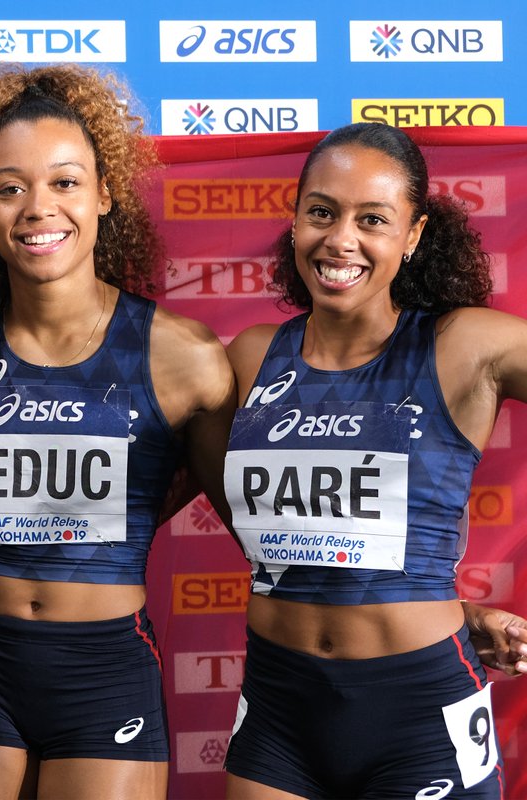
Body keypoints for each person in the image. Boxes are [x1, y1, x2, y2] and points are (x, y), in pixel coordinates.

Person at [0, 64, 236, 800]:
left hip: (104, 671)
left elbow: (269, 532)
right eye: (10, 187)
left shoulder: (183, 357)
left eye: (64, 182)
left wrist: (451, 613)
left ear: (104, 194)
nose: (38, 207)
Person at [222, 121, 527, 799]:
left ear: (413, 235)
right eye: (322, 213)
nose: (341, 240)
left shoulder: (462, 345)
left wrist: (453, 613)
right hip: (279, 713)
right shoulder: (251, 357)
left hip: (420, 712)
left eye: (373, 219)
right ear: (295, 217)